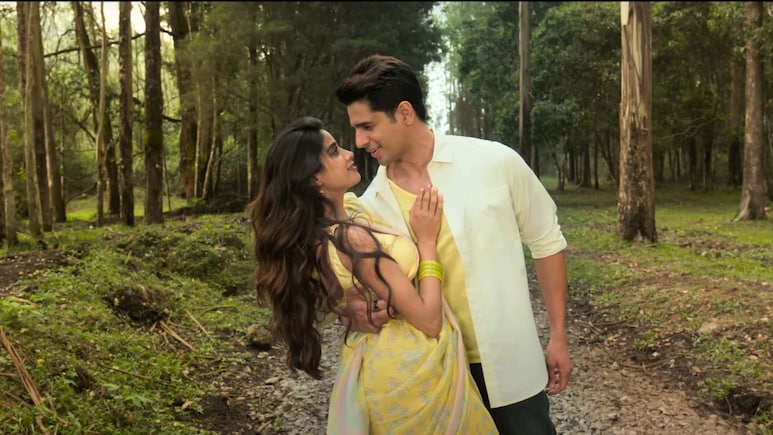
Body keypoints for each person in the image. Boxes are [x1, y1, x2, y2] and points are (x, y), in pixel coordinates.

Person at [335, 54, 573, 435]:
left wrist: (558, 336)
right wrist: (355, 310)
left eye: (368, 126)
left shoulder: (493, 162)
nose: (360, 142)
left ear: (405, 113)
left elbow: (546, 240)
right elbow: (364, 287)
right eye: (356, 130)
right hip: (430, 379)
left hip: (512, 364)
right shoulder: (370, 206)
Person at [249, 116, 498, 434]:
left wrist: (347, 308)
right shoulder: (351, 239)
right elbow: (429, 320)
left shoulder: (330, 226)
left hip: (380, 360)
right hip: (410, 370)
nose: (349, 153)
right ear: (314, 180)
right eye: (334, 151)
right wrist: (426, 242)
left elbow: (342, 290)